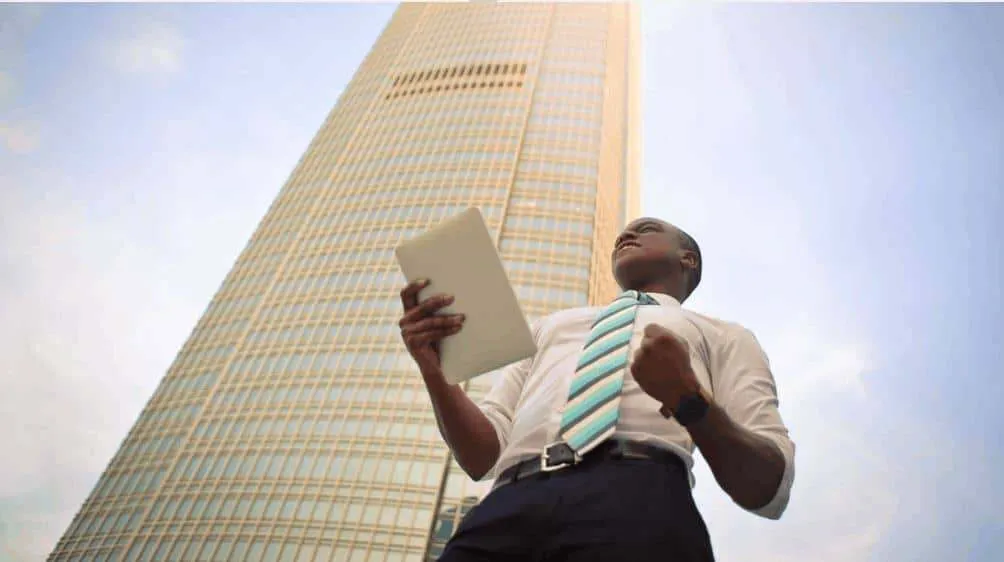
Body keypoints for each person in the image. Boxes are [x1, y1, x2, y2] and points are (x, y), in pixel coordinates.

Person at [398, 217, 795, 561]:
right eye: (623, 234)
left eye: (646, 230)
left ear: (686, 258)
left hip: (640, 498)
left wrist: (689, 400)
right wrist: (434, 371)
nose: (626, 235)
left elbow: (768, 486)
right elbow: (482, 455)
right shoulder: (549, 326)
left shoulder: (724, 336)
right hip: (507, 503)